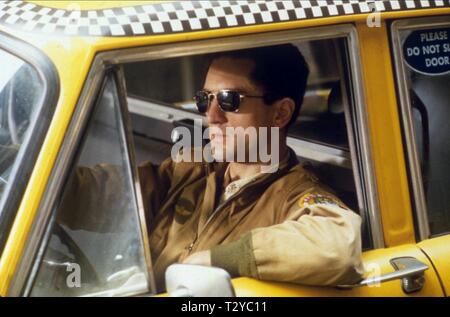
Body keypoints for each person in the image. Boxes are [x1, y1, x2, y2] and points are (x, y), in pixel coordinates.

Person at [137, 44, 364, 291]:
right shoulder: (189, 170)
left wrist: (218, 260)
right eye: (205, 99)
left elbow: (338, 245)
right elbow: (110, 191)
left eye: (228, 100)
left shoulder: (293, 194)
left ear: (280, 114)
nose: (212, 116)